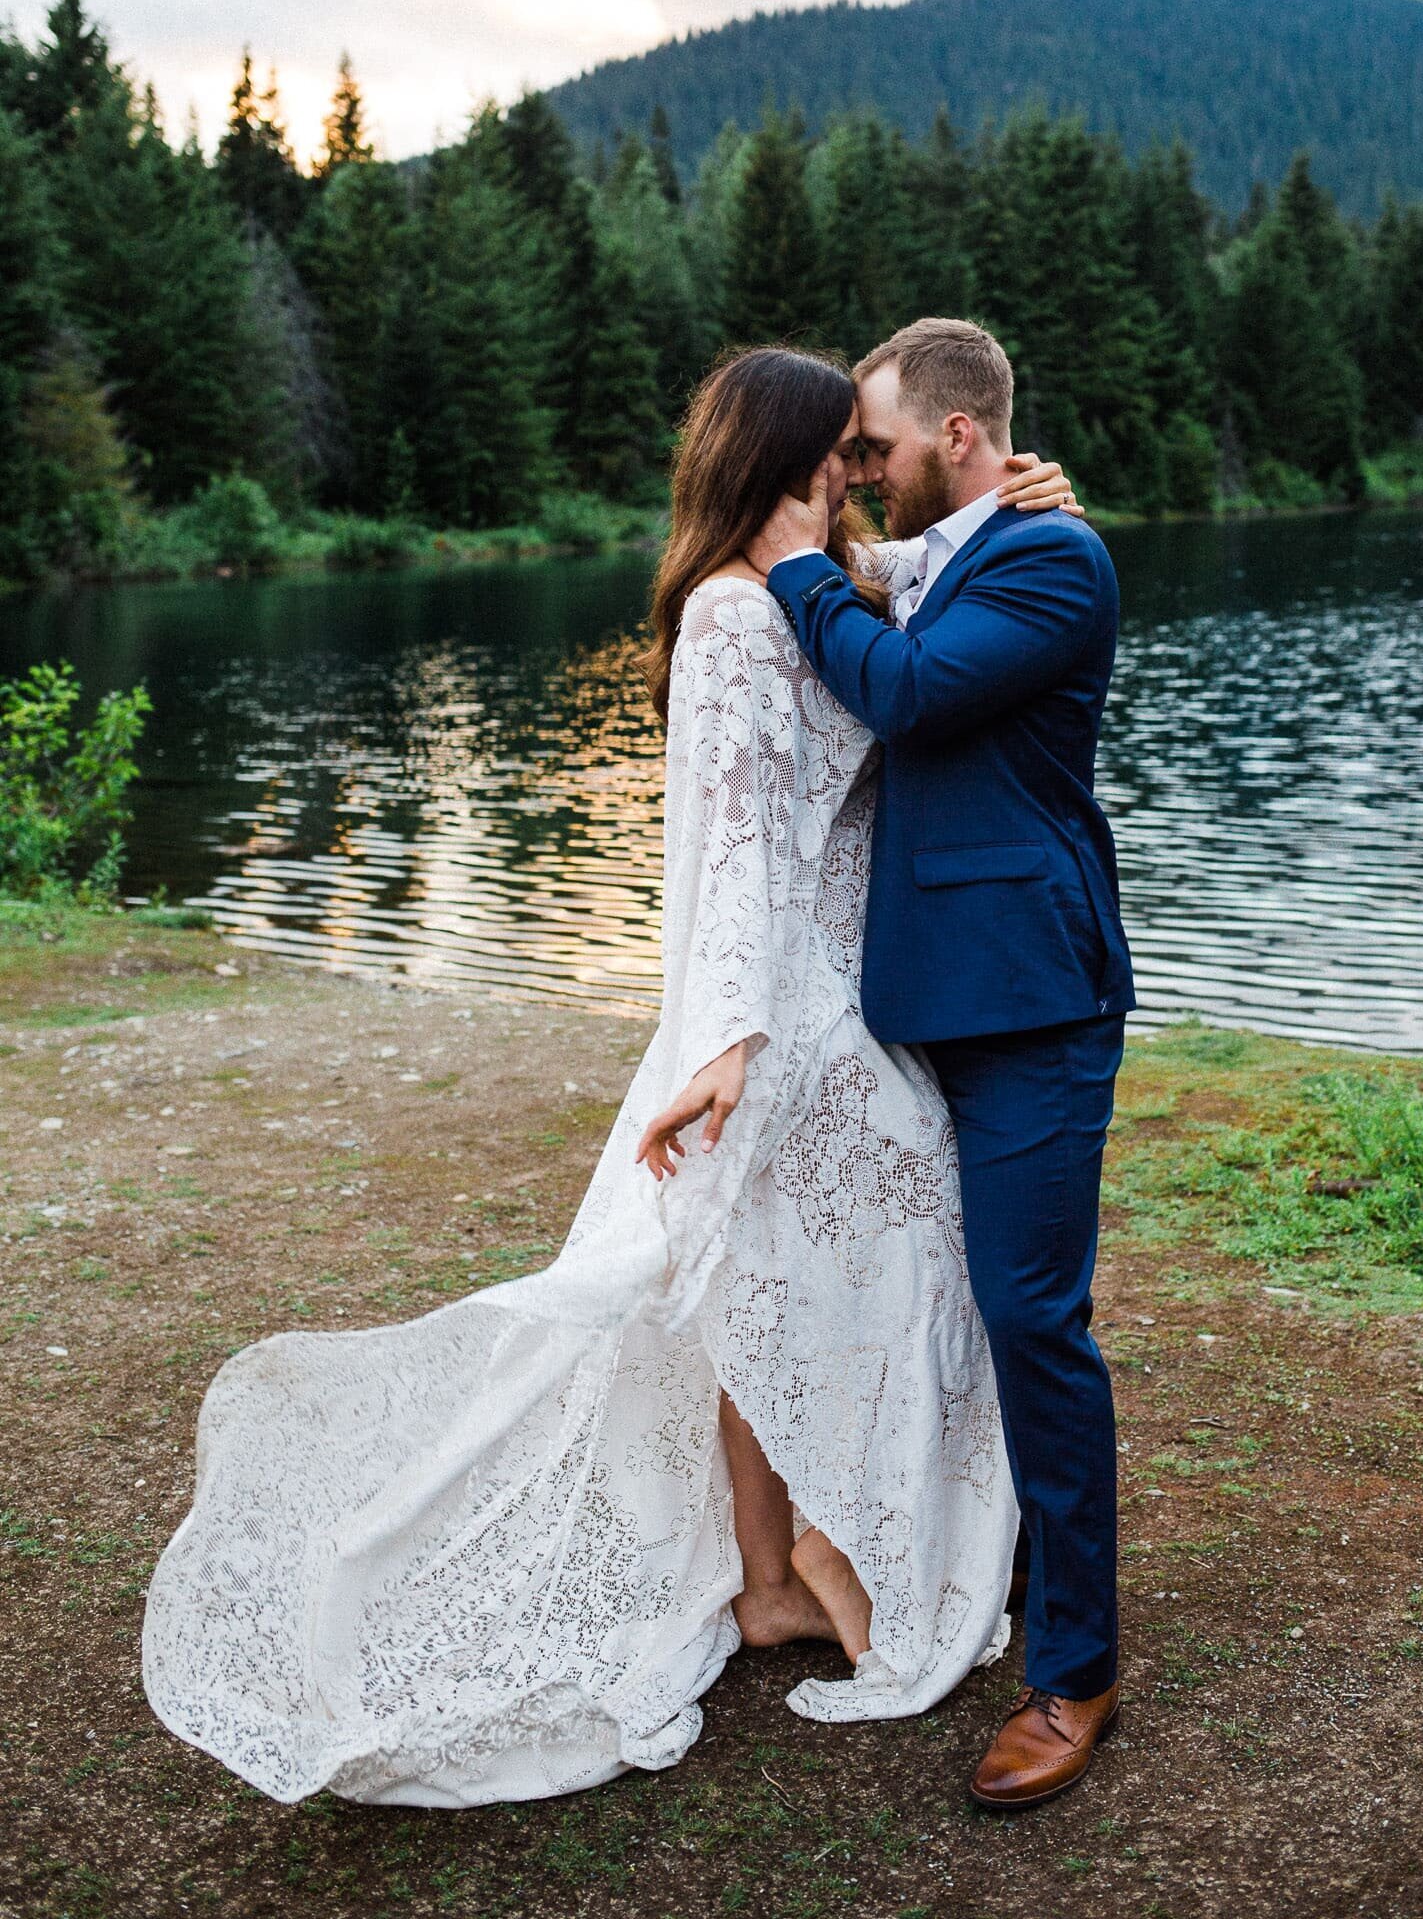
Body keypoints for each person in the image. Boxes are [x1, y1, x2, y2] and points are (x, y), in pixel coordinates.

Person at [141, 344, 1077, 1809]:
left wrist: (1025, 497)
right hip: (777, 1012)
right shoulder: (725, 617)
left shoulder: (842, 586)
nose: (858, 467)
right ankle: (810, 1553)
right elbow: (718, 854)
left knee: (788, 1272)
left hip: (857, 1000)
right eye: (839, 448)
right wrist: (721, 1046)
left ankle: (786, 1565)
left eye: (871, 447)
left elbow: (932, 602)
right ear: (781, 461)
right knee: (780, 1268)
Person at [747, 316, 1135, 1811]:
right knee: (937, 1310)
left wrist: (788, 561)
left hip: (1031, 1002)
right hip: (919, 999)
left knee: (1033, 1319)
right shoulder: (962, 546)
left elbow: (901, 692)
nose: (856, 467)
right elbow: (896, 594)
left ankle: (1077, 1668)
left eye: (875, 446)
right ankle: (960, 1569)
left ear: (959, 440)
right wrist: (803, 546)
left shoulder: (1056, 561)